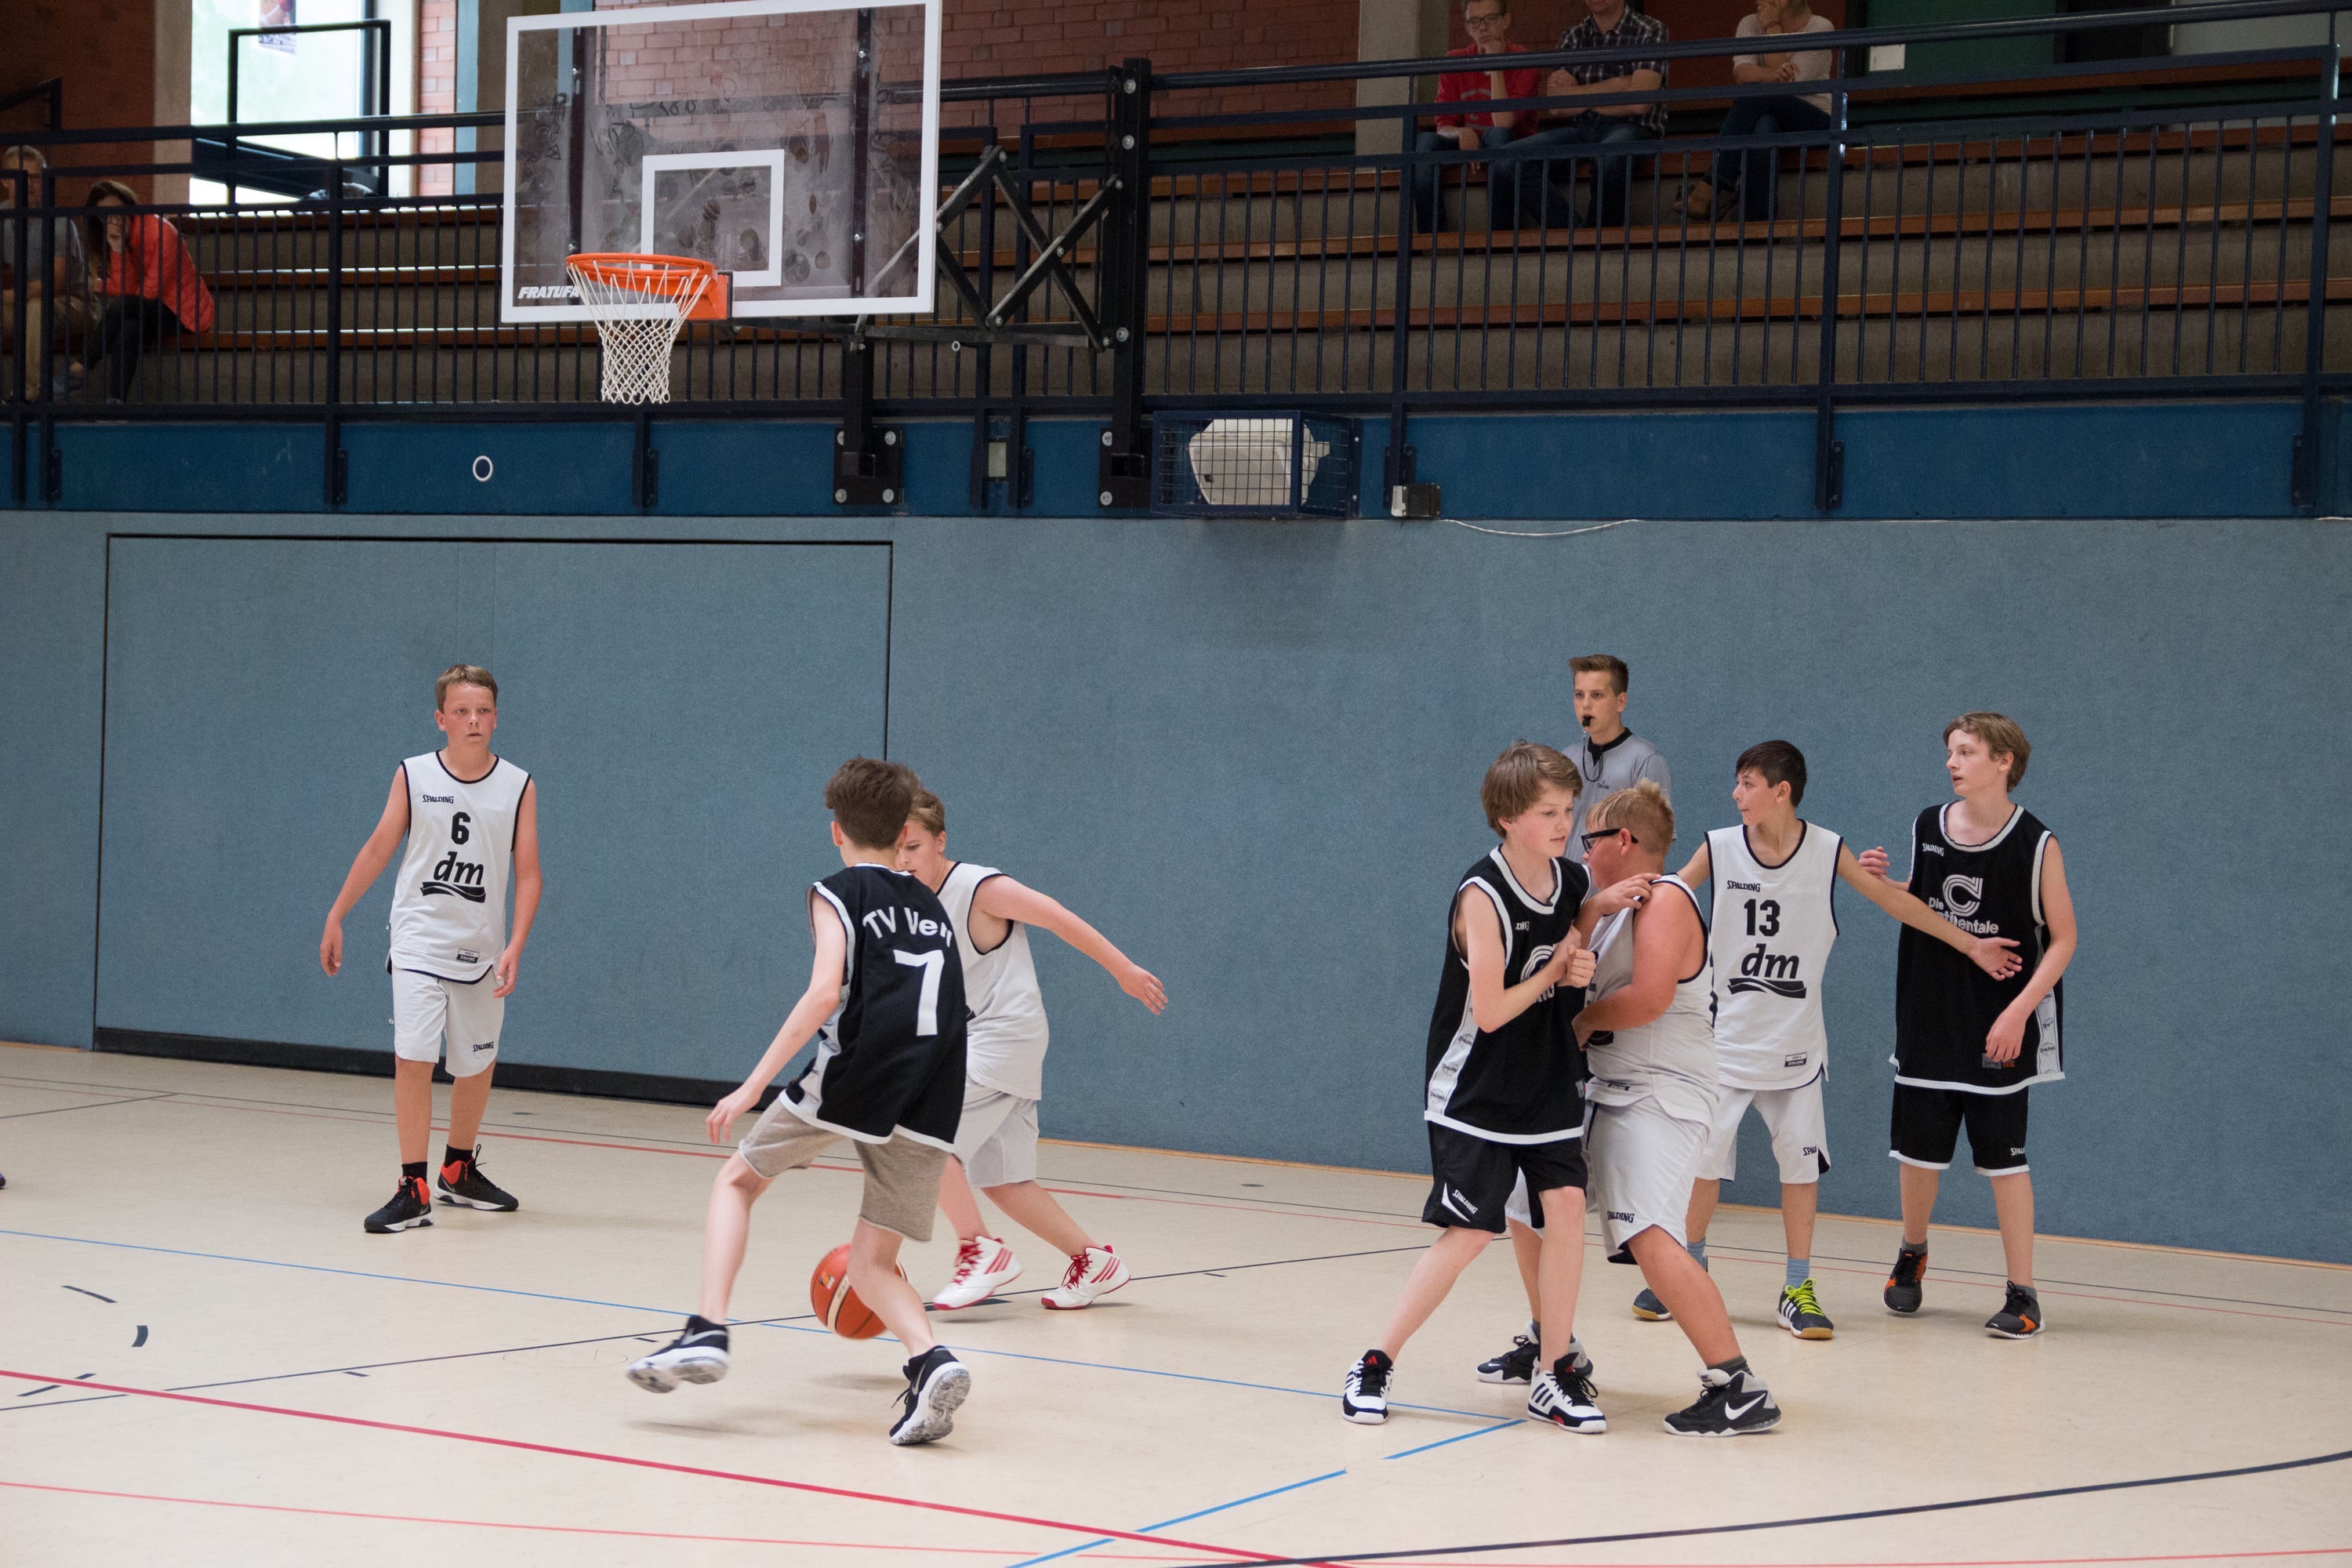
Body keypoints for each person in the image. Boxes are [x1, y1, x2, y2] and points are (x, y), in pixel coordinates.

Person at [626, 757, 978, 1446]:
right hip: (936, 1089)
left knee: (737, 1180)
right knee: (872, 1261)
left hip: (863, 1073)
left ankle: (707, 1329)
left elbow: (824, 993)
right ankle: (930, 1360)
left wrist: (753, 1085)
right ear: (902, 832)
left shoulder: (837, 892)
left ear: (836, 830)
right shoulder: (932, 904)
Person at [1624, 740, 2023, 1336]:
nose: (1736, 794)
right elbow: (1667, 899)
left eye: (1748, 783)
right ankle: (1688, 1269)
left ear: (1781, 792)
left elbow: (1893, 901)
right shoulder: (1719, 846)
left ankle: (1798, 1287)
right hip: (1723, 1042)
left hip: (1795, 1046)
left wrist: (1971, 945)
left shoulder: (1828, 850)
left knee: (1800, 1171)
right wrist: (1609, 905)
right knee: (1704, 1167)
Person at [1341, 742, 1618, 1433]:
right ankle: (1374, 1362)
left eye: (1568, 809)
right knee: (1468, 1234)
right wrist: (1557, 970)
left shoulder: (1571, 879)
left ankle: (1554, 1373)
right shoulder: (1481, 897)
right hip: (1476, 1089)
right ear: (1507, 817)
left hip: (1546, 1078)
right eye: (1548, 812)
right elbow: (1492, 1011)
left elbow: (1567, 939)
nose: (1564, 823)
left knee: (1567, 1210)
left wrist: (1586, 936)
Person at [895, 788, 1168, 1312]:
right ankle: (1095, 1261)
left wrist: (1124, 971)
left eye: (914, 847)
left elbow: (1057, 916)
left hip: (1004, 1037)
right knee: (1005, 1181)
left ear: (940, 842)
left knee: (918, 1137)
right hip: (977, 1042)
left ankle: (980, 1251)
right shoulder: (910, 905)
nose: (904, 860)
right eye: (895, 850)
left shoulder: (979, 888)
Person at [1861, 713, 2076, 1339]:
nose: (1952, 763)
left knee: (2005, 1162)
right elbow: (1926, 901)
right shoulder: (1928, 825)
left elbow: (2064, 939)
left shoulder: (2037, 843)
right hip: (1929, 1010)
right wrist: (1887, 885)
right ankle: (1912, 1253)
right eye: (1950, 752)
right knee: (1917, 1154)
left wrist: (2018, 1011)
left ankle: (2023, 1293)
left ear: (2003, 761)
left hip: (2000, 1020)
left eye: (1966, 752)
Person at [1576, 780, 1781, 1434]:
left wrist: (1576, 1026)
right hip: (1614, 1089)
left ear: (1624, 840)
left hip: (1659, 1094)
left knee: (1649, 1234)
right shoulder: (1613, 909)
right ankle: (1551, 1346)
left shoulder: (1665, 898)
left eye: (1590, 840)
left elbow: (1649, 999)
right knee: (1536, 1209)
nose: (1583, 852)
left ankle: (1739, 1385)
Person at [320, 665, 541, 1235]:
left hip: (482, 946)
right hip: (418, 939)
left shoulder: (518, 785)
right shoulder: (414, 775)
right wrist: (337, 914)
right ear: (441, 719)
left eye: (483, 711)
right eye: (462, 712)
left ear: (496, 718)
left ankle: (457, 1170)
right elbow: (378, 848)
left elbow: (529, 872)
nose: (474, 721)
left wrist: (517, 942)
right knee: (413, 1057)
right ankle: (412, 1186)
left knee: (477, 1062)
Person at [1678, 0, 1838, 223]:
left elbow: (1789, 86)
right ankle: (1758, 227)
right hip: (1766, 113)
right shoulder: (1750, 24)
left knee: (1758, 95)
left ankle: (1710, 187)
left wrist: (1772, 27)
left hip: (1814, 118)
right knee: (1763, 126)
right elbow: (1743, 74)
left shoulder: (1820, 27)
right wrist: (1774, 76)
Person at [1515, 0, 1670, 230]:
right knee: (1511, 158)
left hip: (1634, 127)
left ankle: (1601, 241)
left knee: (1608, 155)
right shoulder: (1574, 35)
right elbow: (1556, 106)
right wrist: (1618, 84)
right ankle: (1575, 235)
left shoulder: (1651, 30)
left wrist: (1578, 95)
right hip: (1582, 129)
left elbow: (1638, 103)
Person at [1410, 0, 1544, 234]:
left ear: (1506, 21)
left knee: (1499, 136)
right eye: (1474, 21)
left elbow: (1504, 122)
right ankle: (1434, 240)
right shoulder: (1455, 60)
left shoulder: (1524, 61)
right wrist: (1460, 132)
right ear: (1467, 27)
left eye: (1490, 19)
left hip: (1509, 144)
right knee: (1423, 143)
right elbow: (1443, 124)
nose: (1483, 27)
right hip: (1467, 142)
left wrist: (1495, 65)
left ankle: (1499, 239)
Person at [82, 180, 215, 403]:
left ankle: (83, 364)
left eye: (117, 212)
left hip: (182, 312)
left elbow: (147, 293)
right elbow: (127, 289)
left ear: (128, 206)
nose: (113, 220)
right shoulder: (123, 237)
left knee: (124, 307)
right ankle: (116, 402)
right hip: (150, 310)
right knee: (129, 329)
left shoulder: (160, 231)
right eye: (105, 216)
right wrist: (117, 250)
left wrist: (108, 288)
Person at [1565, 655, 1671, 866]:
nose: (1585, 705)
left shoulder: (1646, 760)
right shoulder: (1567, 758)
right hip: (1567, 882)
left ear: (1620, 702)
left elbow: (1656, 846)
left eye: (1597, 695)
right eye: (1579, 695)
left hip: (1618, 885)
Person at [0, 144, 85, 401]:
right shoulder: (3, 217)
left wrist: (9, 295)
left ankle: (29, 396)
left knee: (38, 307)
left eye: (36, 177)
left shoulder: (58, 222)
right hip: (26, 302)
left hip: (74, 303)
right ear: (5, 181)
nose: (29, 184)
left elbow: (53, 284)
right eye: (21, 177)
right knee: (33, 307)